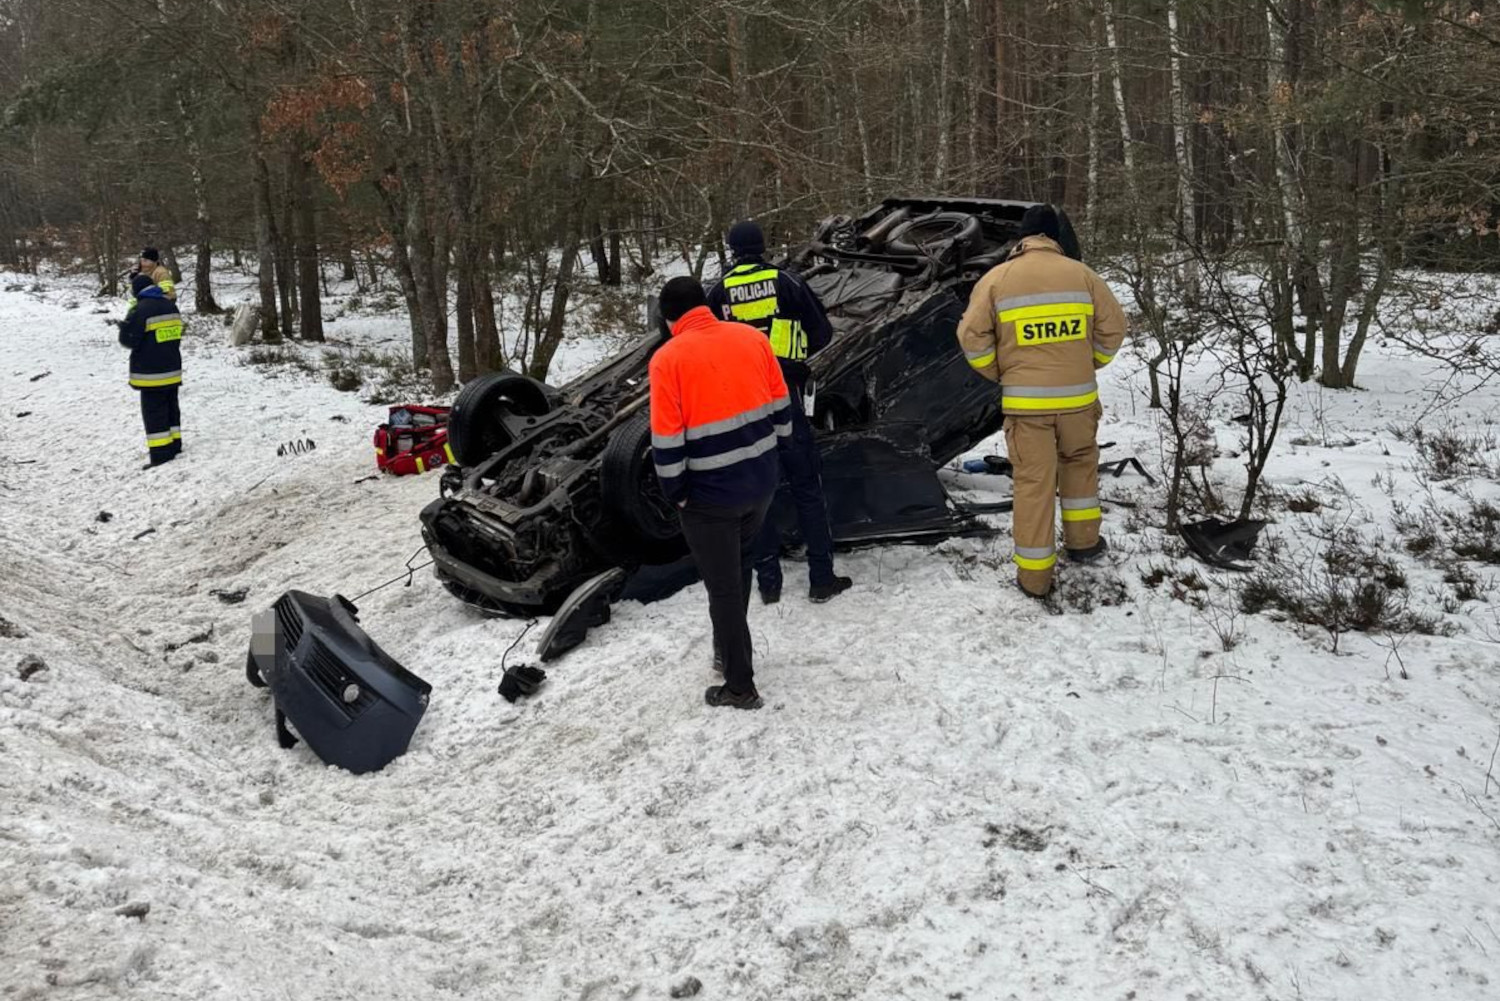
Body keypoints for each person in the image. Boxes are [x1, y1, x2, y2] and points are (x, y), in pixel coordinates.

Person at [956, 204, 1127, 598]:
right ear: (1054, 237)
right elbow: (1114, 329)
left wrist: (1001, 371)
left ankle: (1034, 578)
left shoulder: (998, 280)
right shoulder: (1083, 276)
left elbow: (971, 337)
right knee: (1080, 469)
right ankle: (1084, 545)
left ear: (1021, 238)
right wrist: (1088, 363)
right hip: (1079, 401)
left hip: (1026, 407)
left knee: (1034, 484)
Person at [649, 276, 793, 710]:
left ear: (669, 318)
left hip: (710, 495)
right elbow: (781, 406)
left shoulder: (667, 360)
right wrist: (774, 459)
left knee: (723, 588)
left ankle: (739, 685)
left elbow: (668, 439)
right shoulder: (751, 339)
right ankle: (726, 650)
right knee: (741, 566)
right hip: (760, 482)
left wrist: (676, 493)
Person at [706, 220, 852, 605]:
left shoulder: (718, 292)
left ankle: (768, 582)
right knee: (807, 487)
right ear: (762, 246)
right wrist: (792, 350)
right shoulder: (786, 282)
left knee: (758, 491)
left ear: (732, 250)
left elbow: (701, 344)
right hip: (783, 392)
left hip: (740, 404)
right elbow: (822, 332)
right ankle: (821, 578)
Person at [118, 273, 185, 468]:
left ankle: (161, 454)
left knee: (154, 413)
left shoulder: (140, 309)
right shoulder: (170, 305)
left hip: (151, 374)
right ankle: (175, 444)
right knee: (172, 408)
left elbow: (129, 340)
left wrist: (124, 328)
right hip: (172, 368)